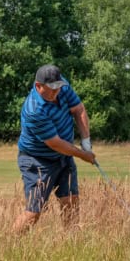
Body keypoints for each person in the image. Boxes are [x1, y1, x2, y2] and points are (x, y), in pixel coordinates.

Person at [13, 64, 96, 232]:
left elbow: (78, 109)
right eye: (51, 89)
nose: (56, 92)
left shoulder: (60, 86)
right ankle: (8, 243)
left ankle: (71, 246)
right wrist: (83, 155)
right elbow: (55, 143)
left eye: (58, 87)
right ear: (38, 86)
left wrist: (86, 141)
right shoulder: (34, 110)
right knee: (33, 213)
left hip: (63, 157)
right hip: (37, 161)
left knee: (71, 203)